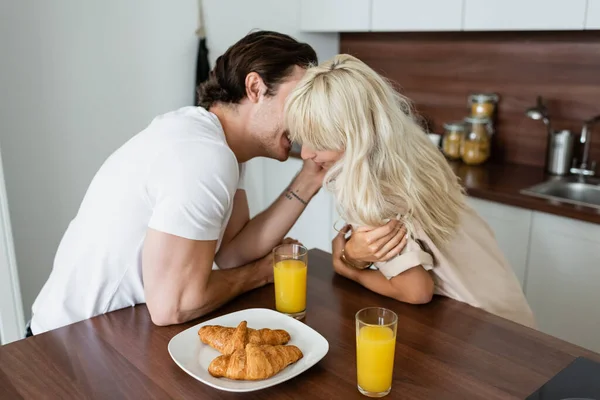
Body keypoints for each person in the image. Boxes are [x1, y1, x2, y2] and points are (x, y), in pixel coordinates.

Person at [29, 32, 404, 335]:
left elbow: (232, 252)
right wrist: (263, 272)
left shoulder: (211, 140)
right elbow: (173, 306)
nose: (310, 113)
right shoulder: (204, 156)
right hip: (63, 351)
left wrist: (310, 178)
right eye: (301, 97)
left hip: (97, 335)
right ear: (255, 88)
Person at [285, 54, 536, 328]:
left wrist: (348, 269)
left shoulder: (365, 189)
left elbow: (416, 291)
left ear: (354, 136)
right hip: (511, 313)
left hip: (475, 326)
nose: (307, 153)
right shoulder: (414, 146)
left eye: (318, 142)